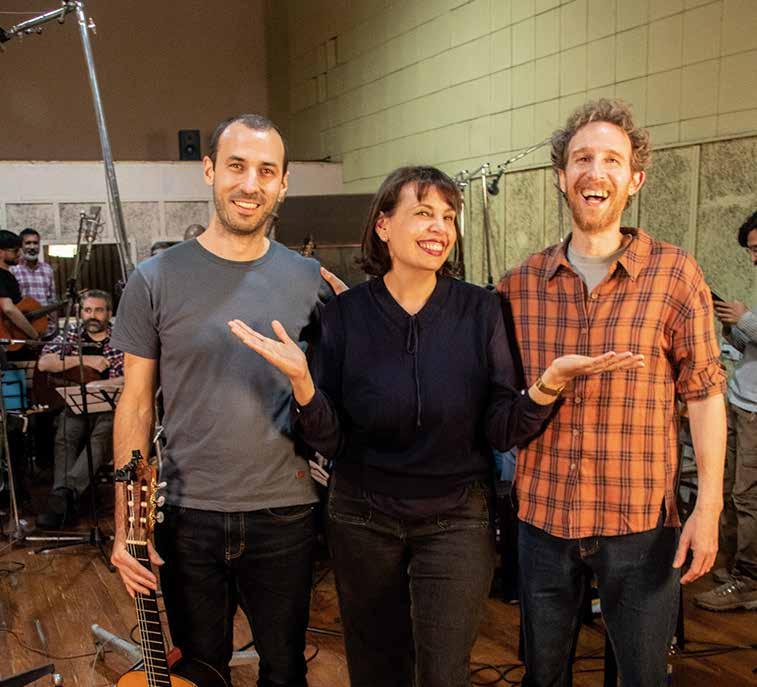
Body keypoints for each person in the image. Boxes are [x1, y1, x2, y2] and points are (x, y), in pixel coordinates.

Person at [229, 165, 643, 687]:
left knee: (445, 672)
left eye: (448, 217)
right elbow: (330, 439)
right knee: (377, 670)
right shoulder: (344, 315)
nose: (439, 228)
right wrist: (303, 383)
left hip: (456, 518)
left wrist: (548, 385)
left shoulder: (482, 309)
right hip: (361, 518)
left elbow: (500, 431)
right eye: (423, 213)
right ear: (383, 226)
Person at [498, 98, 727, 686]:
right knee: (543, 675)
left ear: (634, 179)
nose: (594, 171)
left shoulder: (675, 274)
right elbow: (494, 395)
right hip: (543, 519)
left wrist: (708, 506)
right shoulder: (520, 285)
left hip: (640, 523)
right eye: (581, 159)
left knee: (642, 677)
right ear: (561, 176)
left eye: (611, 160)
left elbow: (704, 394)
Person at [110, 113, 342, 687]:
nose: (250, 184)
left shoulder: (312, 280)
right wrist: (127, 527)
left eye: (266, 171)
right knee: (202, 671)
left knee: (284, 670)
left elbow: (336, 398)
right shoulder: (154, 279)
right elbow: (135, 405)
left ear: (283, 183)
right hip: (188, 514)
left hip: (285, 512)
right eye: (237, 166)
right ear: (210, 170)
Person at [695, 209, 757, 611]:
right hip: (741, 401)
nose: (753, 258)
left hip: (756, 412)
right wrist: (731, 327)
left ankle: (749, 580)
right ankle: (736, 567)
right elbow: (750, 347)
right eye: (750, 250)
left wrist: (745, 318)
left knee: (748, 496)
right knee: (735, 491)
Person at [35, 290, 123, 528]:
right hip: (78, 404)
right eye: (87, 310)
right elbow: (45, 363)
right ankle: (63, 499)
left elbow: (132, 376)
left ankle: (64, 497)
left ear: (109, 313)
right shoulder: (71, 334)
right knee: (65, 435)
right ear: (80, 312)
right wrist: (85, 361)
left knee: (100, 438)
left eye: (99, 310)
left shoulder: (121, 337)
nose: (92, 315)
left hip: (110, 406)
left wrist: (102, 384)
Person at [11, 227, 58, 336]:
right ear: (21, 246)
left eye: (35, 243)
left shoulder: (47, 269)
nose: (32, 247)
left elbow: (52, 301)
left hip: (47, 330)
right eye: (28, 243)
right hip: (22, 330)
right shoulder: (13, 270)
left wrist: (55, 327)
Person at [0, 229, 40, 347]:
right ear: (0, 252)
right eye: (15, 250)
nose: (19, 254)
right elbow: (9, 309)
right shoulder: (1, 275)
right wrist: (34, 335)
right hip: (6, 339)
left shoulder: (8, 275)